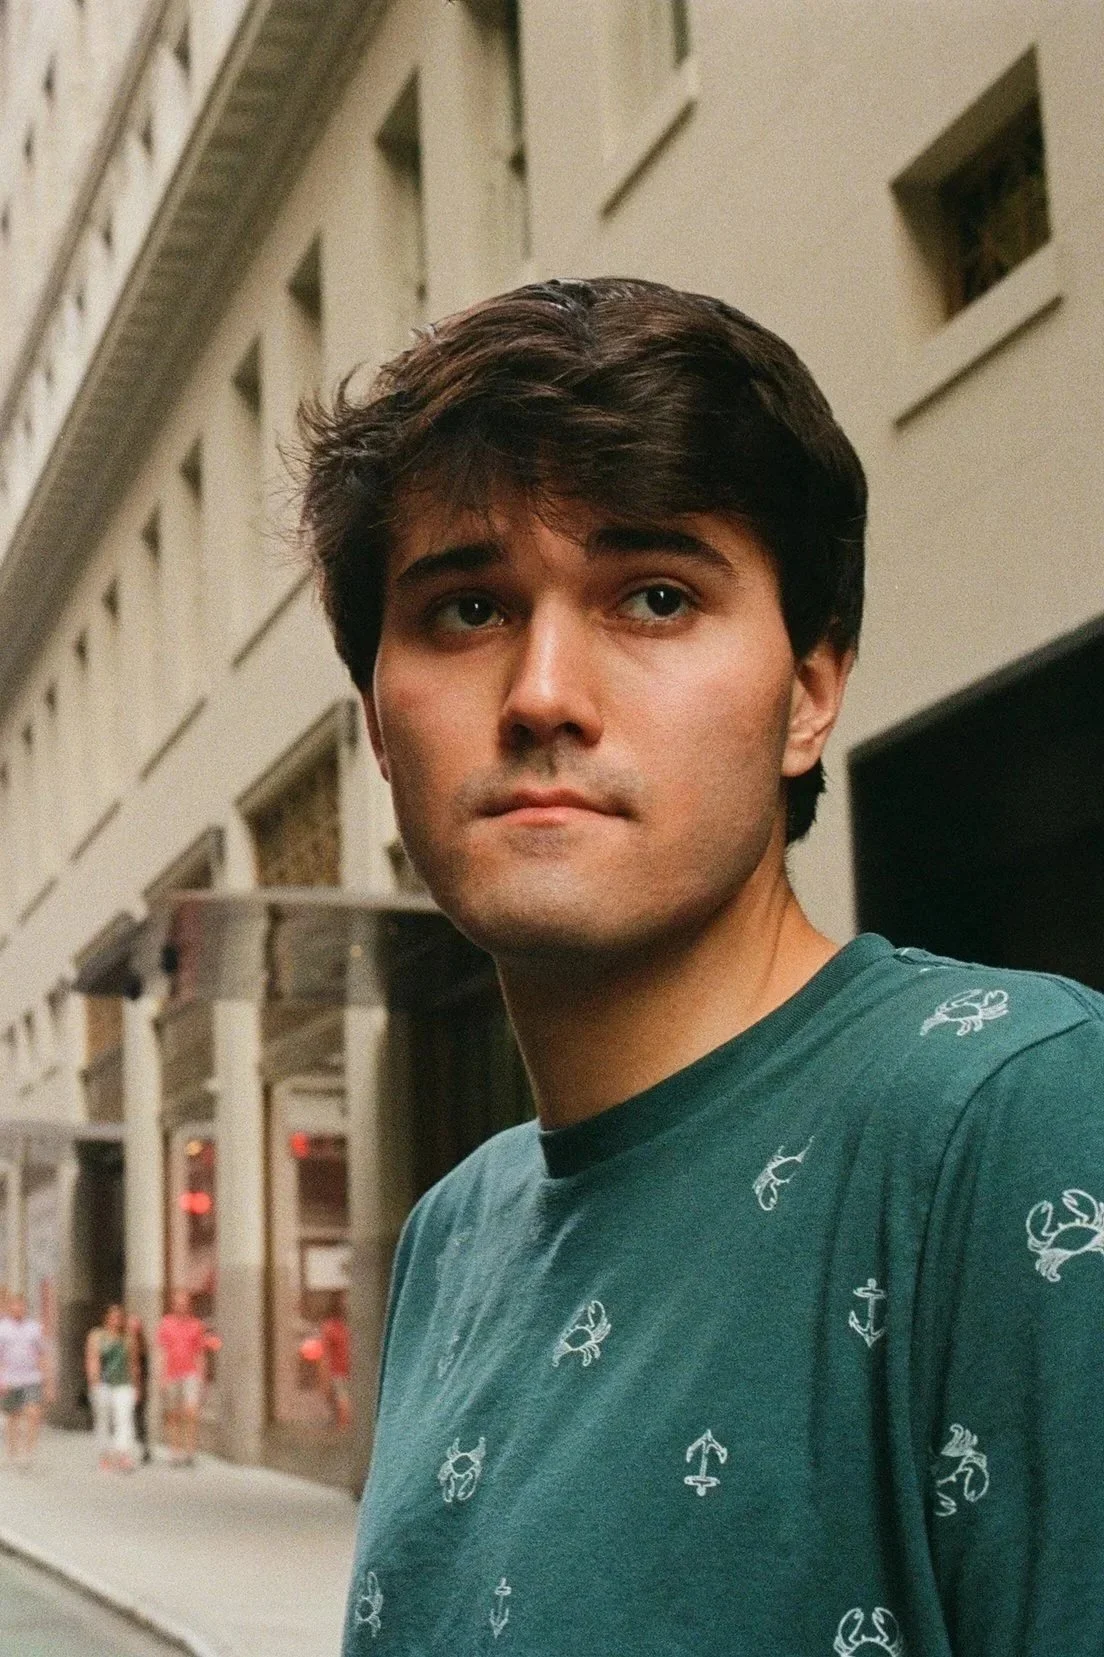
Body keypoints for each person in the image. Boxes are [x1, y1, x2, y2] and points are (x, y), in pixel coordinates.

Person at [299, 278, 1104, 1654]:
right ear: (380, 721)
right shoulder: (450, 1236)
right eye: (467, 609)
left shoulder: (1017, 1115)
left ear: (808, 693)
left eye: (655, 597)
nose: (544, 689)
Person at [85, 1303, 137, 1472]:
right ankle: (105, 1454)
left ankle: (123, 1453)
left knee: (124, 1418)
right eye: (113, 1316)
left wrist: (136, 1384)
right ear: (106, 1317)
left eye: (119, 1316)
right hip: (103, 1383)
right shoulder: (97, 1335)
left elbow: (133, 1362)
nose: (116, 1320)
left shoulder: (127, 1337)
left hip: (123, 1383)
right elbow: (92, 1358)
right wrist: (94, 1381)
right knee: (103, 1420)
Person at [156, 1289, 206, 1467]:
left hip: (190, 1373)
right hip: (171, 1373)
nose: (181, 1306)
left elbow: (200, 1353)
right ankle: (175, 1451)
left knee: (191, 1413)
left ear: (189, 1305)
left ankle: (190, 1451)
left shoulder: (196, 1325)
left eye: (184, 1303)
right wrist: (161, 1377)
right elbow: (162, 1352)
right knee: (173, 1414)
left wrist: (201, 1377)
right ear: (174, 1305)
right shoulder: (166, 1323)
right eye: (178, 1303)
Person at [0, 1292, 49, 1467]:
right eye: (14, 1306)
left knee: (34, 1413)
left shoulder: (34, 1328)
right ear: (9, 1307)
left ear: (25, 1308)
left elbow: (42, 1354)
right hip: (9, 1379)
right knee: (12, 1416)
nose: (18, 1309)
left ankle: (28, 1452)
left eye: (21, 1306)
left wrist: (47, 1379)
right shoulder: (2, 1328)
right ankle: (11, 1452)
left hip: (31, 1377)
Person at [319, 1295, 351, 1430]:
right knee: (343, 1398)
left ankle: (342, 1427)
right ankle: (343, 1425)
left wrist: (323, 1374)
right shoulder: (347, 1327)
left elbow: (325, 1354)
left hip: (337, 1369)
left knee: (341, 1399)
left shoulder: (329, 1327)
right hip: (347, 1368)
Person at [127, 1313, 152, 1464]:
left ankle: (143, 1447)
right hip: (125, 1384)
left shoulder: (142, 1347)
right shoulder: (124, 1343)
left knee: (139, 1417)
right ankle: (131, 1448)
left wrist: (140, 1387)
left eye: (135, 1326)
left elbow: (143, 1370)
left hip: (139, 1385)